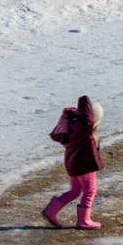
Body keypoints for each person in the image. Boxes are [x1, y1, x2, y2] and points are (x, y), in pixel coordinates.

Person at [42, 95, 105, 230]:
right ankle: (84, 220)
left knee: (75, 190)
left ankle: (50, 211)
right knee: (90, 190)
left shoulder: (73, 127)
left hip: (72, 164)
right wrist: (84, 100)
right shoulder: (86, 131)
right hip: (84, 165)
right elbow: (87, 116)